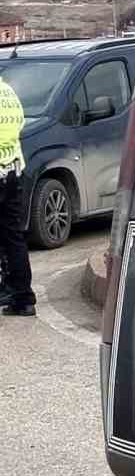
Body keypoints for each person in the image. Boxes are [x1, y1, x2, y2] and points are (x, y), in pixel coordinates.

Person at [0, 75, 36, 317]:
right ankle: (23, 299)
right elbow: (19, 124)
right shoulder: (7, 92)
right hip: (12, 171)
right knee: (13, 237)